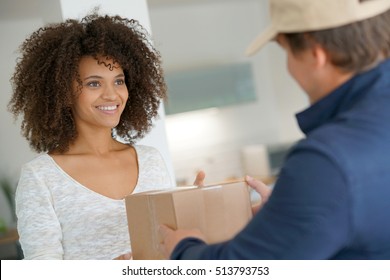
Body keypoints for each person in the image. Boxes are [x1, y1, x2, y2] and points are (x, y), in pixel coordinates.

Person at [159, 0, 390, 259]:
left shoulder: (326, 161)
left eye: (287, 53)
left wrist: (182, 248)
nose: (289, 67)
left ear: (316, 53)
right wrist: (289, 215)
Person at [8, 12, 172, 260]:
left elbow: (173, 247)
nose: (112, 95)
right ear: (63, 91)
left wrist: (195, 208)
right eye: (94, 83)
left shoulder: (150, 161)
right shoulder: (41, 177)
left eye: (119, 81)